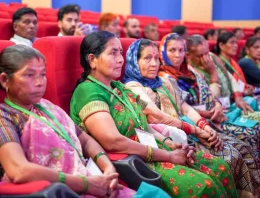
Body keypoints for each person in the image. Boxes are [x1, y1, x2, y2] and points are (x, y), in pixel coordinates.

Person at [70, 31, 238, 197]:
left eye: (120, 52)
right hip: (134, 160)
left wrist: (172, 144)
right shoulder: (88, 91)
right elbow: (113, 141)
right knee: (202, 186)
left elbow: (143, 122)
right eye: (113, 53)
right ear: (92, 60)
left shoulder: (118, 87)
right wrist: (169, 155)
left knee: (219, 166)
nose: (121, 59)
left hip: (154, 149)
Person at [0, 45, 135, 197]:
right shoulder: (0, 114)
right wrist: (86, 184)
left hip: (89, 181)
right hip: (56, 191)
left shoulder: (47, 108)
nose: (40, 82)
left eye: (43, 74)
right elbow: (18, 170)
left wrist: (107, 169)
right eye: (29, 75)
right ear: (4, 80)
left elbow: (85, 142)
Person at [127, 36, 260, 196]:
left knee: (241, 150)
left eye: (156, 58)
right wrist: (197, 131)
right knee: (227, 159)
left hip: (186, 133)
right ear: (135, 60)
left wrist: (204, 127)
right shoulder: (132, 86)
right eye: (147, 58)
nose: (155, 63)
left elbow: (186, 108)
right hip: (165, 140)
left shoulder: (163, 82)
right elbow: (158, 116)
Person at [158, 33, 260, 160]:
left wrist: (217, 105)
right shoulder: (164, 78)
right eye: (172, 50)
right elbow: (182, 109)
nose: (177, 55)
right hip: (198, 123)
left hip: (215, 115)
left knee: (254, 131)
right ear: (162, 52)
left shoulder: (190, 71)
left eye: (180, 50)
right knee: (244, 143)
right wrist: (209, 115)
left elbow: (210, 93)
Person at [214, 32, 255, 96]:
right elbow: (224, 90)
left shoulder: (233, 62)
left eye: (236, 43)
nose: (236, 45)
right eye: (232, 42)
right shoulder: (218, 63)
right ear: (221, 45)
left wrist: (246, 86)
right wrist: (244, 93)